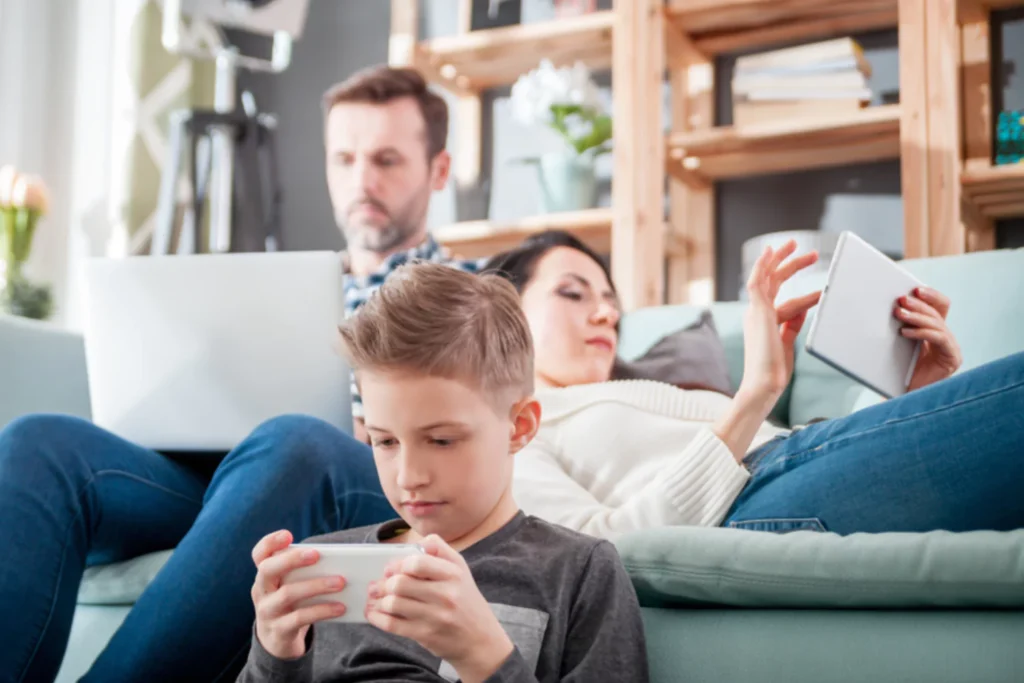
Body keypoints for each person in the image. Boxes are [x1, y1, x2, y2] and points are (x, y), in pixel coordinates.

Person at [0, 65, 478, 683]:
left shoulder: (477, 290)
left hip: (361, 470)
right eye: (345, 158)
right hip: (239, 474)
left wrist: (382, 423)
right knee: (40, 442)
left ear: (438, 171)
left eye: (386, 160)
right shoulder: (281, 286)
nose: (362, 179)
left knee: (295, 439)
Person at [238, 262, 648, 683]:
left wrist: (484, 657)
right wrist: (274, 655)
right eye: (386, 442)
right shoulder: (322, 570)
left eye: (441, 441)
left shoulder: (578, 572)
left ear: (519, 426)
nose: (409, 477)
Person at [482, 230, 1024, 538]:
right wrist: (755, 393)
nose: (605, 314)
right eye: (574, 294)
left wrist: (917, 392)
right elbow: (601, 550)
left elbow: (802, 454)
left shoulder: (634, 393)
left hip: (791, 464)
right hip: (747, 503)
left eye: (610, 301)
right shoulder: (514, 433)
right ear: (503, 311)